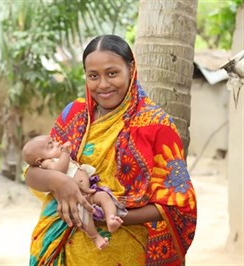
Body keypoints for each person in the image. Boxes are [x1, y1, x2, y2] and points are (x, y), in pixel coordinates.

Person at [24, 34, 197, 265]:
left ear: (131, 69)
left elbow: (177, 201)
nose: (103, 85)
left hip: (122, 251)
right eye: (93, 76)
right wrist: (60, 183)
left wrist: (109, 216)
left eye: (112, 73)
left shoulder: (156, 125)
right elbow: (34, 170)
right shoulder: (73, 114)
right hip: (61, 248)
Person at [22, 135, 127, 250]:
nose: (57, 143)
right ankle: (95, 237)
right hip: (75, 200)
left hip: (88, 193)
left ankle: (111, 219)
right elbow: (59, 171)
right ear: (40, 160)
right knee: (84, 217)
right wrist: (66, 153)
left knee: (104, 196)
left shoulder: (59, 157)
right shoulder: (48, 163)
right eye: (51, 146)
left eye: (54, 141)